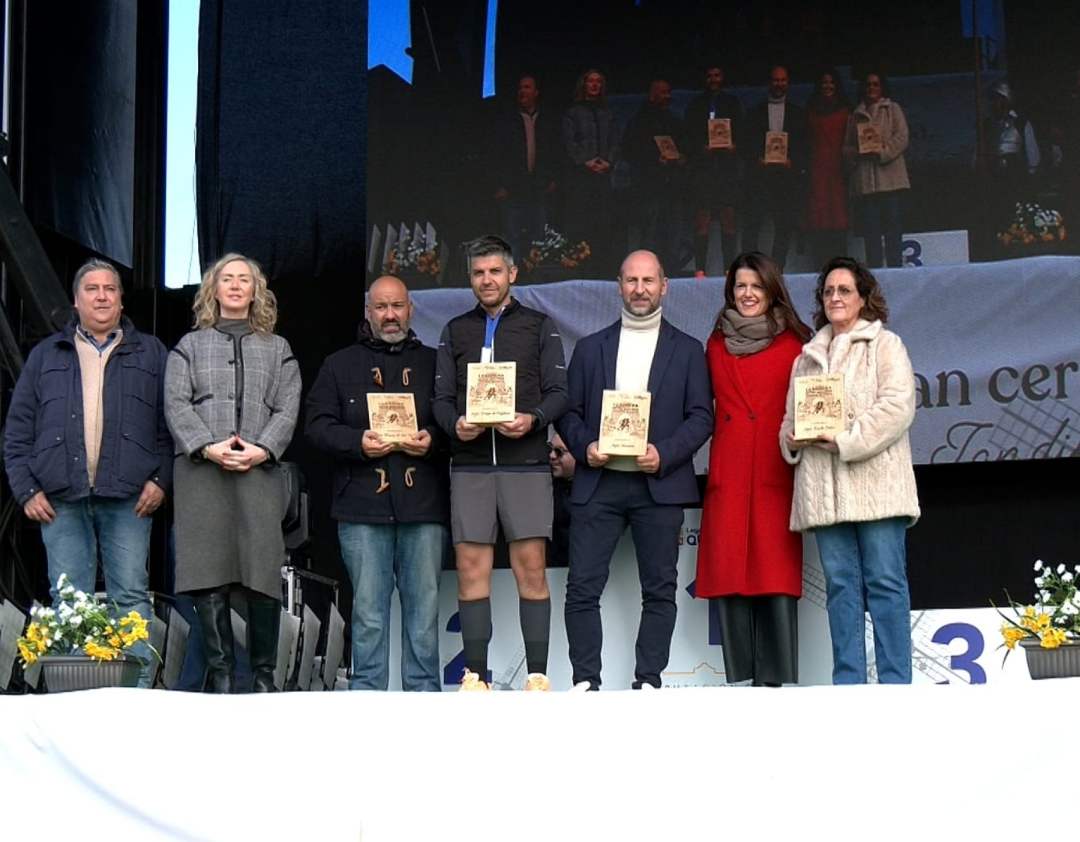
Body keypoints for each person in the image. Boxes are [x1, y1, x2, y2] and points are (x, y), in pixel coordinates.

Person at [3, 259, 170, 687]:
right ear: (75, 301)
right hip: (60, 497)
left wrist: (160, 480)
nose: (101, 296)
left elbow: (171, 427)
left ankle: (135, 696)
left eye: (110, 288)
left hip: (129, 496)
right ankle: (73, 700)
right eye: (91, 289)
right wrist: (25, 490)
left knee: (130, 596)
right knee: (69, 599)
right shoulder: (45, 356)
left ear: (121, 300)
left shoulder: (152, 353)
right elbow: (17, 431)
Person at [557, 249, 713, 689]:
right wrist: (585, 447)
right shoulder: (590, 348)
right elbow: (568, 412)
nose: (640, 289)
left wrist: (664, 453)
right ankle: (586, 682)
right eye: (631, 281)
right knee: (582, 588)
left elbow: (701, 416)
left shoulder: (688, 350)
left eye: (648, 281)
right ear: (619, 287)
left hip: (659, 485)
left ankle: (648, 682)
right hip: (599, 482)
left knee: (660, 590)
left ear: (664, 286)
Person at [432, 235, 567, 689]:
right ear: (469, 278)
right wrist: (456, 425)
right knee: (471, 570)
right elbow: (440, 399)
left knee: (531, 569)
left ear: (513, 274)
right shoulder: (455, 330)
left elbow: (560, 393)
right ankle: (476, 678)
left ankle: (538, 677)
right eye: (478, 273)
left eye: (495, 271)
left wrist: (534, 419)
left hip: (524, 462)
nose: (486, 280)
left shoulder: (539, 326)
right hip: (471, 464)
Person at [164, 253, 301, 693]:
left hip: (259, 472)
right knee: (207, 572)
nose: (237, 285)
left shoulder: (277, 348)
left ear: (256, 290)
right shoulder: (189, 346)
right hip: (202, 473)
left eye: (245, 279)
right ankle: (221, 677)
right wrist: (208, 446)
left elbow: (288, 406)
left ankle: (262, 677)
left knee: (262, 572)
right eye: (228, 279)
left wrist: (263, 449)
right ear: (214, 289)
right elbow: (176, 403)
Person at [306, 275, 449, 691]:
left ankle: (424, 696)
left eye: (397, 306)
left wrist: (434, 439)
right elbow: (316, 426)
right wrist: (356, 442)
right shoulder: (338, 365)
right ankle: (367, 697)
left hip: (423, 505)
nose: (390, 315)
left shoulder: (436, 363)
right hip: (361, 506)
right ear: (368, 312)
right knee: (368, 613)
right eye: (381, 307)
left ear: (411, 310)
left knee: (424, 613)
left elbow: (457, 423)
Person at [780, 256, 919, 684]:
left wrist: (845, 439)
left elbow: (897, 408)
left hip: (878, 489)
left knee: (885, 583)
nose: (835, 297)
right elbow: (789, 421)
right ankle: (849, 685)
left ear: (863, 298)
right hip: (825, 493)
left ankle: (896, 683)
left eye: (844, 290)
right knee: (840, 588)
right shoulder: (806, 358)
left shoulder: (886, 345)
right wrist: (792, 439)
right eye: (828, 291)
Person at [695, 252, 812, 686]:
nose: (748, 294)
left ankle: (776, 680)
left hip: (775, 470)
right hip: (730, 469)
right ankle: (741, 680)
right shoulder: (715, 344)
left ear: (772, 290)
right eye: (740, 286)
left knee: (774, 572)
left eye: (756, 286)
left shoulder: (797, 344)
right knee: (730, 572)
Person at [843, 72, 910, 268]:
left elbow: (902, 137)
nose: (871, 88)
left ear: (882, 87)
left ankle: (896, 272)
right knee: (871, 234)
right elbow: (846, 147)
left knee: (893, 232)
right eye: (868, 85)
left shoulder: (893, 109)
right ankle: (875, 276)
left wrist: (882, 152)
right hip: (866, 185)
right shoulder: (855, 115)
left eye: (875, 84)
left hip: (891, 182)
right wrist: (858, 152)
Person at [742, 64, 807, 267]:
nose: (779, 84)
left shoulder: (797, 113)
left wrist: (793, 162)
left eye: (783, 80)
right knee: (753, 225)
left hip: (786, 180)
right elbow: (747, 144)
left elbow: (804, 145)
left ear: (788, 83)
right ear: (769, 83)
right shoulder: (755, 113)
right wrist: (757, 159)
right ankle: (752, 270)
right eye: (775, 80)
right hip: (760, 179)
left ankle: (777, 271)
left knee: (783, 227)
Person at [683, 63, 744, 276]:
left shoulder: (732, 103)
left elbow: (743, 134)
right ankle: (700, 270)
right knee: (702, 219)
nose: (713, 79)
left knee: (728, 217)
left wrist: (735, 146)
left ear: (723, 77)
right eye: (710, 75)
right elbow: (687, 137)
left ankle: (729, 269)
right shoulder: (695, 105)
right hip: (703, 171)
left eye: (717, 75)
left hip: (727, 170)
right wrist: (700, 149)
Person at [493, 74, 561, 262]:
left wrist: (552, 179)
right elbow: (498, 154)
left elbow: (555, 151)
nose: (523, 91)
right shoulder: (507, 120)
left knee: (538, 240)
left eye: (527, 87)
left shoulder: (546, 120)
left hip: (539, 189)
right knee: (512, 240)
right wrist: (500, 185)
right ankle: (513, 278)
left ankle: (535, 277)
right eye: (520, 87)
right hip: (512, 189)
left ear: (536, 92)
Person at [622, 78, 687, 274]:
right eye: (662, 92)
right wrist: (653, 160)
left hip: (673, 186)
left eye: (668, 92)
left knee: (673, 234)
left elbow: (686, 148)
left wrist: (682, 158)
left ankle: (671, 273)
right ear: (652, 95)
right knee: (650, 234)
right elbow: (629, 151)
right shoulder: (638, 121)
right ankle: (647, 273)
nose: (667, 96)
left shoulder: (674, 120)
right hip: (649, 187)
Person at [562, 68, 620, 272]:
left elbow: (615, 141)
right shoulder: (573, 112)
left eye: (598, 82)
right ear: (584, 85)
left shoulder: (608, 113)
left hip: (603, 176)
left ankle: (602, 268)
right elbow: (568, 142)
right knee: (581, 223)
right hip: (581, 177)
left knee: (603, 223)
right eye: (591, 81)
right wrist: (585, 161)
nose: (594, 85)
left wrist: (609, 162)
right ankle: (581, 269)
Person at [804, 68, 851, 268]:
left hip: (840, 172)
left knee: (839, 219)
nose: (828, 86)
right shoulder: (810, 110)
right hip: (817, 172)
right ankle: (820, 268)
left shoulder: (847, 110)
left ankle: (841, 269)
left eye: (831, 82)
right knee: (819, 219)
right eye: (824, 82)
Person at [546, 431, 575, 567]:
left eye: (559, 452)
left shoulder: (598, 491)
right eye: (549, 449)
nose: (552, 456)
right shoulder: (544, 485)